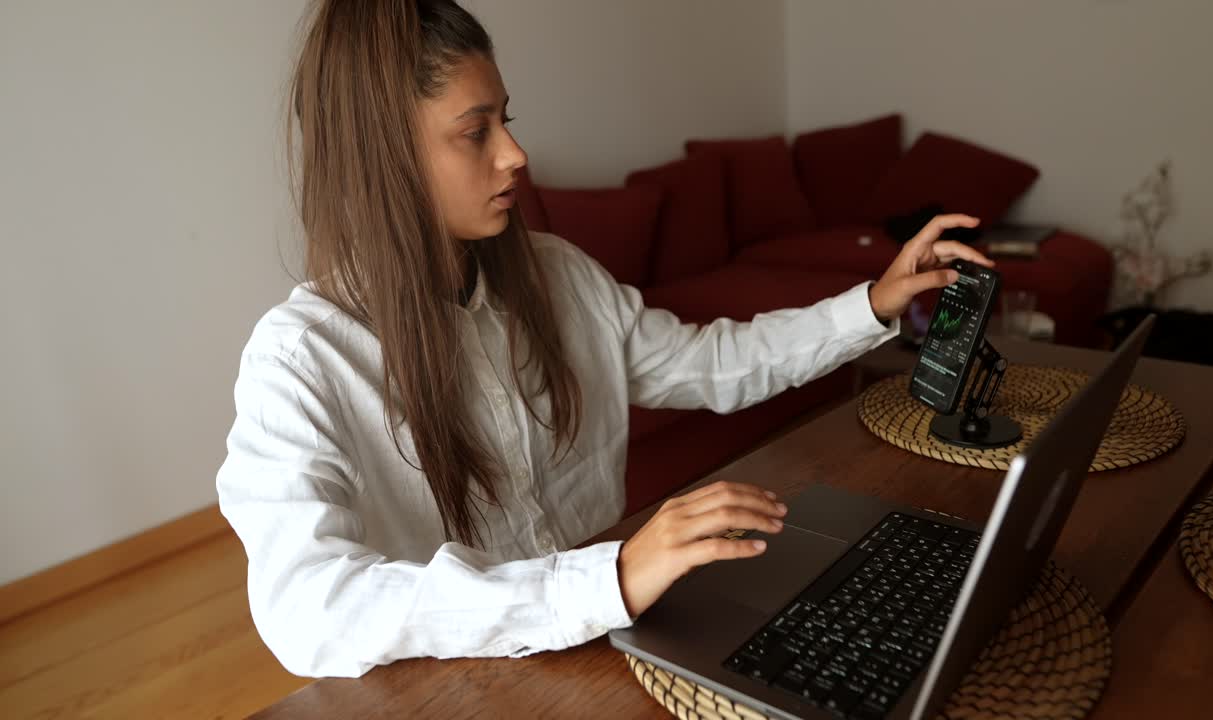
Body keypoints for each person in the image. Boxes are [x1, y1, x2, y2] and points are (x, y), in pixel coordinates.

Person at [216, 0, 993, 678]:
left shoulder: (557, 278)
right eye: (474, 131)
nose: (515, 153)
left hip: (620, 645)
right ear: (384, 157)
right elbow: (307, 608)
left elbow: (710, 363)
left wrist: (873, 303)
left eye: (506, 118)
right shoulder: (301, 361)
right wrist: (608, 578)